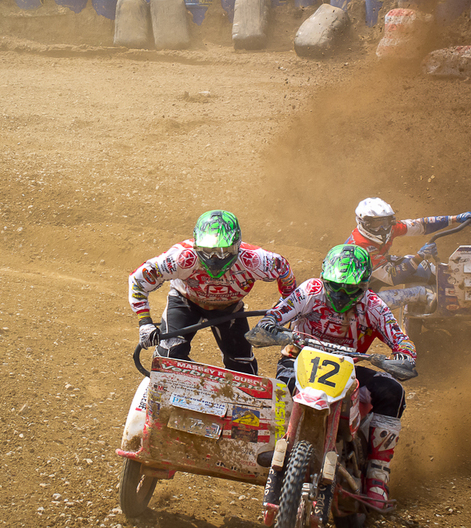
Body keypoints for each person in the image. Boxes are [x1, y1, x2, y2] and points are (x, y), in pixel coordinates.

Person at [253, 244, 416, 509]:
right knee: (283, 389)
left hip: (346, 368)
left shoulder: (373, 305)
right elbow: (274, 315)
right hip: (298, 359)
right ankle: (277, 442)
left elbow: (401, 341)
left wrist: (402, 357)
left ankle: (377, 474)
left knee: (393, 391)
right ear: (324, 277)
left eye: (349, 288)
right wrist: (272, 328)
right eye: (335, 285)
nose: (340, 294)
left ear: (363, 286)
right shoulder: (310, 290)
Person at [130, 210, 296, 376]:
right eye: (207, 251)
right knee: (168, 356)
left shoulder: (255, 260)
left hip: (229, 308)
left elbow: (283, 270)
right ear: (196, 244)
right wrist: (144, 323)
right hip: (186, 301)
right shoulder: (181, 257)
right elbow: (138, 280)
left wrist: (280, 310)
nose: (215, 259)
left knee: (243, 368)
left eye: (224, 251)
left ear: (238, 244)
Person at [345, 197, 471, 310]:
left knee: (425, 268)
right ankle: (423, 294)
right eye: (376, 224)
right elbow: (392, 277)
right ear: (364, 223)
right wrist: (419, 256)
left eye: (385, 222)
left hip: (368, 279)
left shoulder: (390, 228)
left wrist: (454, 219)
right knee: (414, 290)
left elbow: (420, 225)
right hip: (349, 303)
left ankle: (456, 294)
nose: (382, 228)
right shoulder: (360, 246)